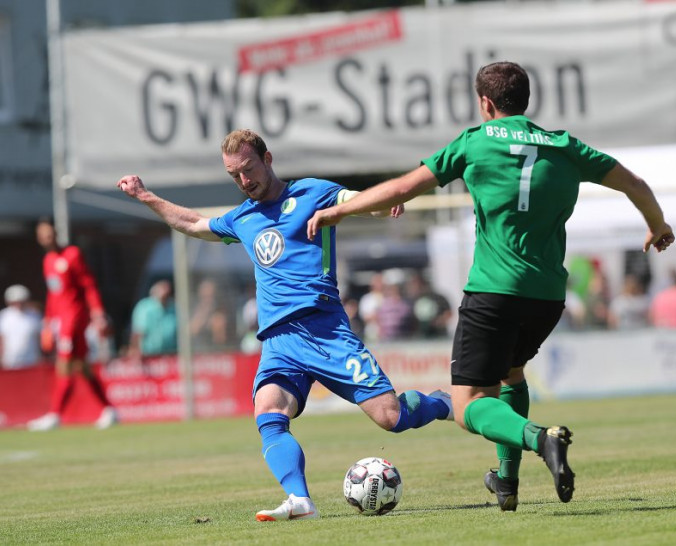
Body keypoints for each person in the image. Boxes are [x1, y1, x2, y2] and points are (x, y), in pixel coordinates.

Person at [307, 61, 675, 512]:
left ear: (485, 103)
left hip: (494, 292)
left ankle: (542, 439)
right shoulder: (565, 146)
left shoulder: (475, 142)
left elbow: (405, 186)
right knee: (511, 373)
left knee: (467, 405)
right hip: (546, 297)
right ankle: (506, 481)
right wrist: (657, 226)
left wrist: (339, 212)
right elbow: (634, 183)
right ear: (525, 100)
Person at [116, 128, 453, 521]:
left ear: (268, 159)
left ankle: (444, 403)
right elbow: (193, 224)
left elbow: (358, 202)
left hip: (324, 329)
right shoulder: (243, 218)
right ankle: (300, 500)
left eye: (248, 169)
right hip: (279, 339)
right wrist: (145, 196)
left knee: (390, 417)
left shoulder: (312, 193)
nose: (244, 181)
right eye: (234, 176)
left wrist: (384, 206)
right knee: (268, 410)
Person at [27, 219, 119, 431]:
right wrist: (48, 322)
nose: (46, 239)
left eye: (49, 234)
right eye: (42, 236)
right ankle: (109, 410)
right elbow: (53, 293)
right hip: (61, 320)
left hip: (75, 318)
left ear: (56, 234)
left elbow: (89, 285)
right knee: (81, 366)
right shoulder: (49, 261)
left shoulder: (72, 255)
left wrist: (97, 311)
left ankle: (55, 415)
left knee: (64, 365)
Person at [129, 279, 178, 357]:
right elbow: (138, 332)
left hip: (171, 354)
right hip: (149, 355)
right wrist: (135, 350)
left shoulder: (174, 308)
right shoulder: (145, 308)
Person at [0, 284, 43, 369]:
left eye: (21, 301)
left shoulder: (35, 315)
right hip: (9, 362)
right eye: (15, 302)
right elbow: (1, 338)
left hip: (31, 361)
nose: (18, 305)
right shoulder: (4, 316)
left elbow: (40, 337)